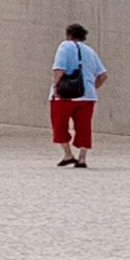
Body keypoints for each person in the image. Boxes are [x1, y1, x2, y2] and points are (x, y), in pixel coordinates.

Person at [48, 24, 106, 167]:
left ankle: (68, 154)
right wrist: (91, 88)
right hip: (88, 96)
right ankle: (82, 158)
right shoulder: (90, 51)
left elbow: (59, 69)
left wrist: (57, 88)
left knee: (59, 124)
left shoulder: (64, 46)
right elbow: (103, 75)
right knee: (84, 126)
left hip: (66, 95)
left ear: (69, 35)